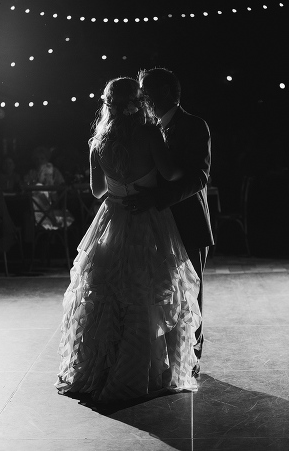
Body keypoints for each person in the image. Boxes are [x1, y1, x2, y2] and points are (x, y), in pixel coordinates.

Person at [56, 77, 202, 402]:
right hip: (148, 221)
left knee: (108, 298)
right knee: (146, 293)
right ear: (139, 101)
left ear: (107, 104)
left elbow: (97, 191)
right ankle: (143, 370)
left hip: (112, 221)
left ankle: (101, 370)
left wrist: (119, 185)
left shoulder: (98, 141)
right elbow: (170, 174)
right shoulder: (150, 133)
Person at [123, 67, 213, 376]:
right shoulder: (146, 128)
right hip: (156, 225)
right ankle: (171, 357)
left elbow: (199, 177)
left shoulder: (194, 125)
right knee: (165, 294)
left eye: (145, 90)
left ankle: (191, 358)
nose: (141, 96)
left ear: (164, 92)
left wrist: (158, 199)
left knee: (190, 293)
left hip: (188, 222)